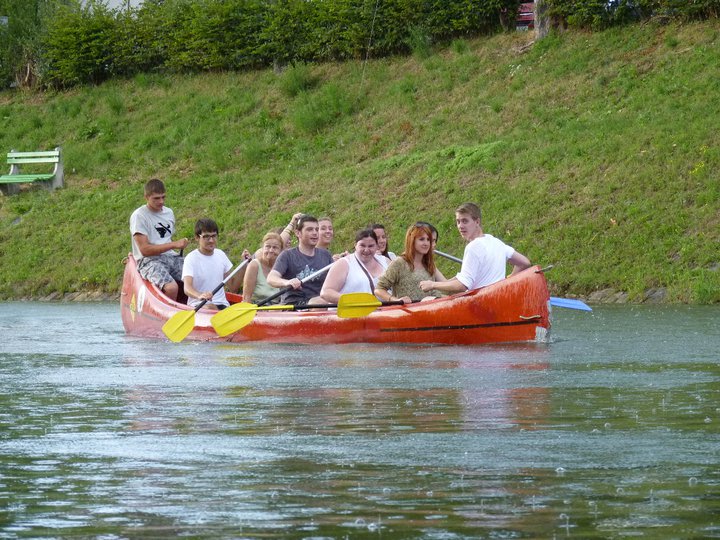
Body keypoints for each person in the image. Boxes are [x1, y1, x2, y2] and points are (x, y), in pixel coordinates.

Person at [419, 202, 531, 295]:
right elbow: (524, 263)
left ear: (477, 222)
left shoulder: (473, 247)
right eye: (458, 221)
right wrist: (507, 281)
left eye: (465, 221)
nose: (460, 226)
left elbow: (462, 285)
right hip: (499, 298)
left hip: (481, 304)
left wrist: (432, 285)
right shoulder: (496, 242)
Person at [130, 178, 189, 301]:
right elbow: (145, 250)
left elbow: (165, 239)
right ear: (146, 197)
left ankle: (203, 306)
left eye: (163, 197)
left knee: (197, 279)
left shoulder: (169, 213)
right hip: (148, 260)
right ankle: (170, 310)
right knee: (171, 288)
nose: (161, 201)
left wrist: (177, 245)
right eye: (156, 198)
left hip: (171, 257)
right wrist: (174, 245)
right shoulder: (139, 216)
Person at [267, 214, 334, 306]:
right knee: (320, 302)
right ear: (298, 233)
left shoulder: (325, 255)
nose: (315, 233)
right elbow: (271, 278)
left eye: (317, 229)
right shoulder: (287, 255)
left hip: (321, 302)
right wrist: (287, 282)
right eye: (309, 229)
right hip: (294, 304)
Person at [182, 218, 244, 310]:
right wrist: (200, 295)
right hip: (199, 305)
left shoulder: (221, 254)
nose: (211, 240)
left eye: (214, 236)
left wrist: (244, 265)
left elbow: (233, 287)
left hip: (222, 305)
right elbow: (187, 288)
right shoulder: (191, 258)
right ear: (197, 238)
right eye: (206, 237)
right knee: (210, 307)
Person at [374, 223, 445, 304]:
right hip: (406, 310)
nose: (426, 243)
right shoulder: (400, 263)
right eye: (421, 239)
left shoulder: (428, 263)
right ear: (412, 241)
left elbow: (435, 291)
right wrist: (395, 300)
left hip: (429, 309)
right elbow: (379, 289)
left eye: (428, 240)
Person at [320, 228, 389, 303]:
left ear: (376, 246)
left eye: (371, 246)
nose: (366, 250)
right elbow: (326, 292)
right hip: (352, 309)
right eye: (362, 245)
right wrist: (354, 301)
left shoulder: (385, 262)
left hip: (386, 308)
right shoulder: (344, 264)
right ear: (355, 245)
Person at [243, 231, 283, 304]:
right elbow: (246, 297)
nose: (271, 250)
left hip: (278, 307)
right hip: (256, 306)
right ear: (262, 248)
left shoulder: (283, 267)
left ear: (281, 251)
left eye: (275, 247)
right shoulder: (254, 265)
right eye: (268, 246)